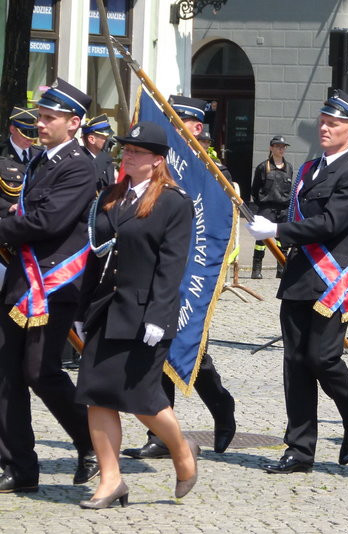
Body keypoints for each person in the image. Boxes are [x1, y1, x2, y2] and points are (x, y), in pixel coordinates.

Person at [246, 90, 348, 474]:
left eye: (333, 123)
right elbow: (297, 212)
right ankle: (300, 450)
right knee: (296, 364)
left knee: (323, 358)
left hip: (330, 282)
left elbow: (332, 223)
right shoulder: (308, 168)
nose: (324, 127)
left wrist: (279, 228)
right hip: (301, 277)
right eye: (322, 121)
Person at [74, 121, 199, 508]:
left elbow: (171, 265)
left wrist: (158, 317)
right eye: (126, 149)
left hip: (145, 314)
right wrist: (83, 308)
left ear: (157, 161)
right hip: (107, 309)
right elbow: (96, 256)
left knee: (143, 397)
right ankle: (111, 481)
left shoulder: (173, 202)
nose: (128, 155)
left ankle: (181, 449)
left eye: (137, 152)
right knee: (97, 394)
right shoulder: (112, 195)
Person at [121, 96, 236, 459]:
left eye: (179, 123)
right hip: (155, 268)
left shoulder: (215, 174)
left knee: (188, 348)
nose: (171, 129)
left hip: (192, 270)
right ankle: (159, 435)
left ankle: (221, 407)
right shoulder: (159, 167)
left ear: (197, 128)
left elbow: (218, 226)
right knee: (155, 348)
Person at [0, 78, 98, 493]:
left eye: (48, 118)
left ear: (73, 123)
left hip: (54, 284)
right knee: (5, 373)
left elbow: (49, 222)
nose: (40, 124)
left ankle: (92, 444)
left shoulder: (79, 165)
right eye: (40, 117)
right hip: (22, 279)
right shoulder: (40, 161)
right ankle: (19, 466)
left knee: (42, 372)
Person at [250, 135, 294, 279]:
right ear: (271, 148)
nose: (281, 149)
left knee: (283, 240)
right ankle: (256, 269)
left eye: (283, 147)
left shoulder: (289, 168)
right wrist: (261, 204)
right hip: (266, 207)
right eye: (278, 146)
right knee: (262, 241)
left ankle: (282, 269)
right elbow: (255, 189)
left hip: (283, 208)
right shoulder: (263, 167)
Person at [0, 107, 43, 217]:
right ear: (12, 129)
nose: (30, 139)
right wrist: (7, 206)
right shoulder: (2, 153)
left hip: (36, 216)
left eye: (33, 134)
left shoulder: (41, 154)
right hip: (8, 217)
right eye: (25, 133)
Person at [81, 114, 116, 191]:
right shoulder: (79, 159)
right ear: (91, 139)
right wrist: (104, 156)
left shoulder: (107, 163)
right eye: (105, 137)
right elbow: (87, 181)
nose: (109, 140)